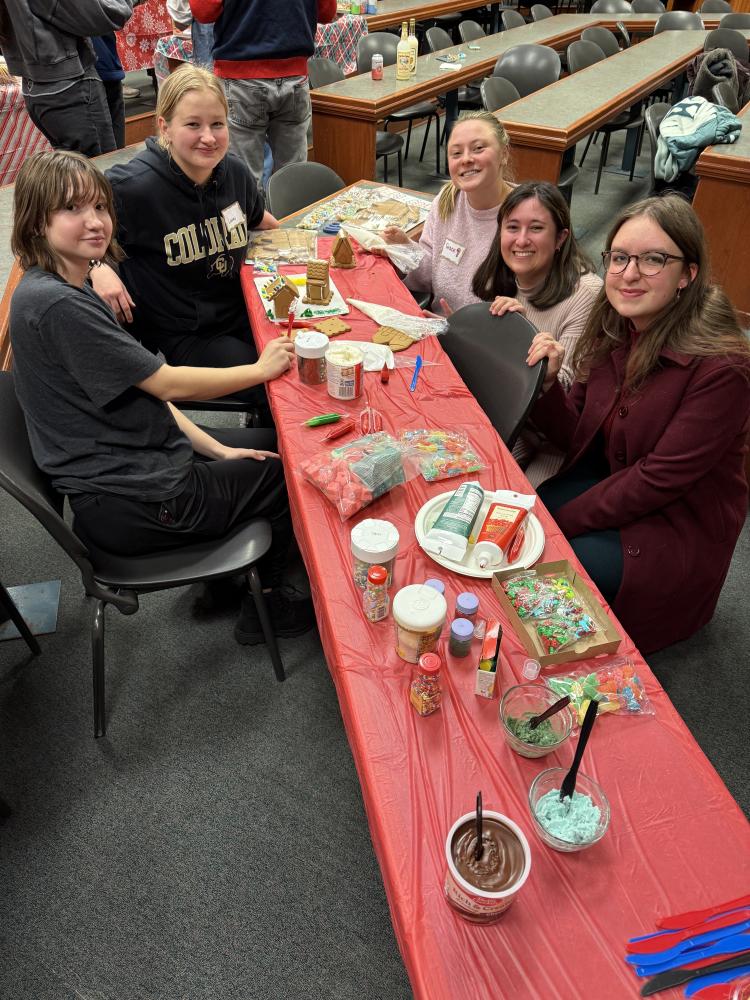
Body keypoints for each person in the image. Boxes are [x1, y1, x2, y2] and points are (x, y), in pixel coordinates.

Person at [9, 149, 313, 645]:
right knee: (289, 474)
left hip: (124, 475)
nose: (95, 223)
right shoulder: (62, 305)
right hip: (136, 500)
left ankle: (226, 581)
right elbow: (166, 384)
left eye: (100, 208)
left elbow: (148, 392)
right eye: (72, 210)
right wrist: (259, 369)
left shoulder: (58, 283)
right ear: (37, 222)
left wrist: (217, 449)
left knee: (263, 445)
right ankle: (269, 608)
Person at [525, 194, 750, 654]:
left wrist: (565, 522)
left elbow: (657, 481)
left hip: (676, 522)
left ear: (688, 274)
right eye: (620, 257)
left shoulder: (723, 367)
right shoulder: (614, 326)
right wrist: (546, 387)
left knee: (561, 562)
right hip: (618, 481)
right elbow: (578, 434)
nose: (629, 274)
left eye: (653, 260)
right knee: (530, 513)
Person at [91, 65, 276, 416]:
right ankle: (272, 464)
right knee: (276, 382)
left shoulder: (234, 172)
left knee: (310, 351)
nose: (209, 137)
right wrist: (97, 266)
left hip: (246, 311)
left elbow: (260, 220)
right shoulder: (132, 187)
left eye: (217, 124)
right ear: (165, 127)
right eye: (193, 125)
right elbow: (59, 234)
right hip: (190, 336)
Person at [472, 181, 602, 485]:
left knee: (512, 510)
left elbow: (566, 390)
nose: (521, 240)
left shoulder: (586, 293)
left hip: (553, 441)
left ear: (560, 238)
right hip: (510, 419)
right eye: (512, 227)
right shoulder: (505, 277)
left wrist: (518, 337)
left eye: (536, 229)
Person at [188, 0, 337, 187]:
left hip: (240, 78)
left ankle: (253, 214)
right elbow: (327, 12)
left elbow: (203, 11)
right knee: (293, 180)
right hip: (294, 75)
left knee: (244, 181)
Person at [381, 111, 514, 315]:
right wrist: (404, 250)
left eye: (478, 148)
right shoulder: (447, 201)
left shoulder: (526, 214)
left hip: (494, 341)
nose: (466, 159)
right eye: (456, 153)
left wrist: (463, 333)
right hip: (441, 332)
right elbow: (428, 274)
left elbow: (536, 304)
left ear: (504, 153)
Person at [0, 0, 142, 156]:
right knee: (101, 170)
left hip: (38, 85)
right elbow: (103, 13)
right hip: (69, 87)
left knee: (78, 173)